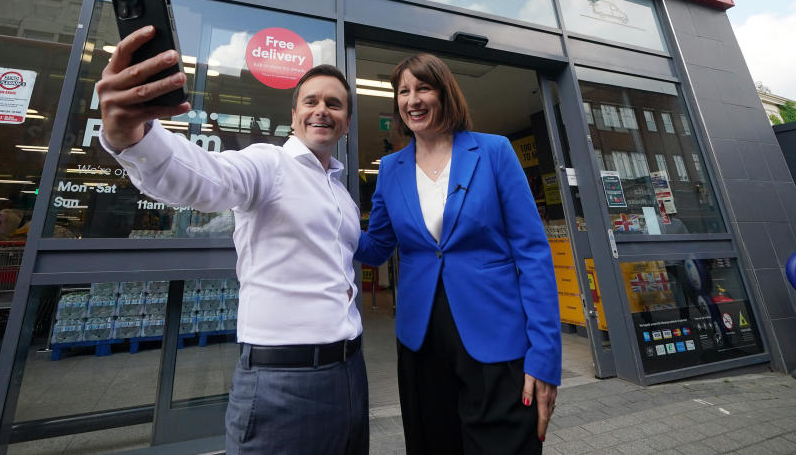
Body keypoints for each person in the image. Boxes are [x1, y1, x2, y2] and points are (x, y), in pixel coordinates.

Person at [97, 25, 368, 455]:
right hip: (284, 383)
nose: (322, 110)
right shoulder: (268, 165)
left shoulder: (340, 192)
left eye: (334, 104)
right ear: (294, 115)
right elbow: (205, 177)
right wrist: (134, 137)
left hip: (350, 372)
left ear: (346, 122)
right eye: (311, 101)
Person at [356, 53, 561, 454]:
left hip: (496, 339)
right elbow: (377, 248)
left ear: (445, 93)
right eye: (403, 91)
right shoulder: (392, 169)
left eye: (423, 88)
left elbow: (533, 254)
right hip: (422, 343)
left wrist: (545, 358)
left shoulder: (493, 152)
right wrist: (326, 216)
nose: (412, 100)